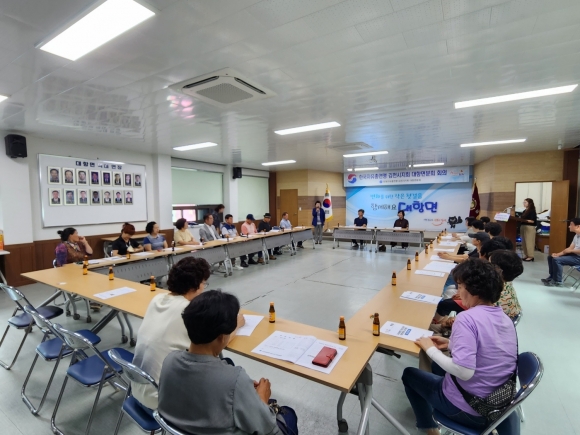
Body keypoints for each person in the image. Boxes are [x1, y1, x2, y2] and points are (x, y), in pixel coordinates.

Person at [157, 290, 298, 435]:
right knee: (289, 414)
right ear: (222, 337)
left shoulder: (169, 360)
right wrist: (262, 398)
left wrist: (241, 390)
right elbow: (267, 428)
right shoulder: (235, 379)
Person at [403, 259, 518, 435]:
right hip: (497, 407)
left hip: (470, 408)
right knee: (437, 368)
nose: (458, 292)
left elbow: (464, 372)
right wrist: (451, 344)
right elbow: (489, 349)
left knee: (410, 375)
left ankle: (430, 429)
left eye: (460, 286)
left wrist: (430, 349)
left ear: (474, 291)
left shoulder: (466, 319)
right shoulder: (504, 319)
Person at [133, 257, 244, 410]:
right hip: (162, 400)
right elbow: (216, 344)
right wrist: (236, 325)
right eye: (204, 284)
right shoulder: (188, 311)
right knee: (225, 367)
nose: (204, 288)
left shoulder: (157, 298)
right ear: (195, 286)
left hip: (137, 386)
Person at [542, 218, 580, 287]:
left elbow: (571, 250)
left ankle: (557, 281)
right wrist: (558, 254)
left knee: (557, 260)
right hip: (575, 255)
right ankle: (552, 277)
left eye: (571, 224)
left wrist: (571, 251)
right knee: (551, 257)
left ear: (578, 226)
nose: (569, 226)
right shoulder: (576, 235)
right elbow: (570, 248)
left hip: (578, 258)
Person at [489, 250, 523, 319]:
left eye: (489, 264)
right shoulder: (507, 281)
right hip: (511, 317)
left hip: (498, 322)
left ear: (498, 270)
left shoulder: (495, 291)